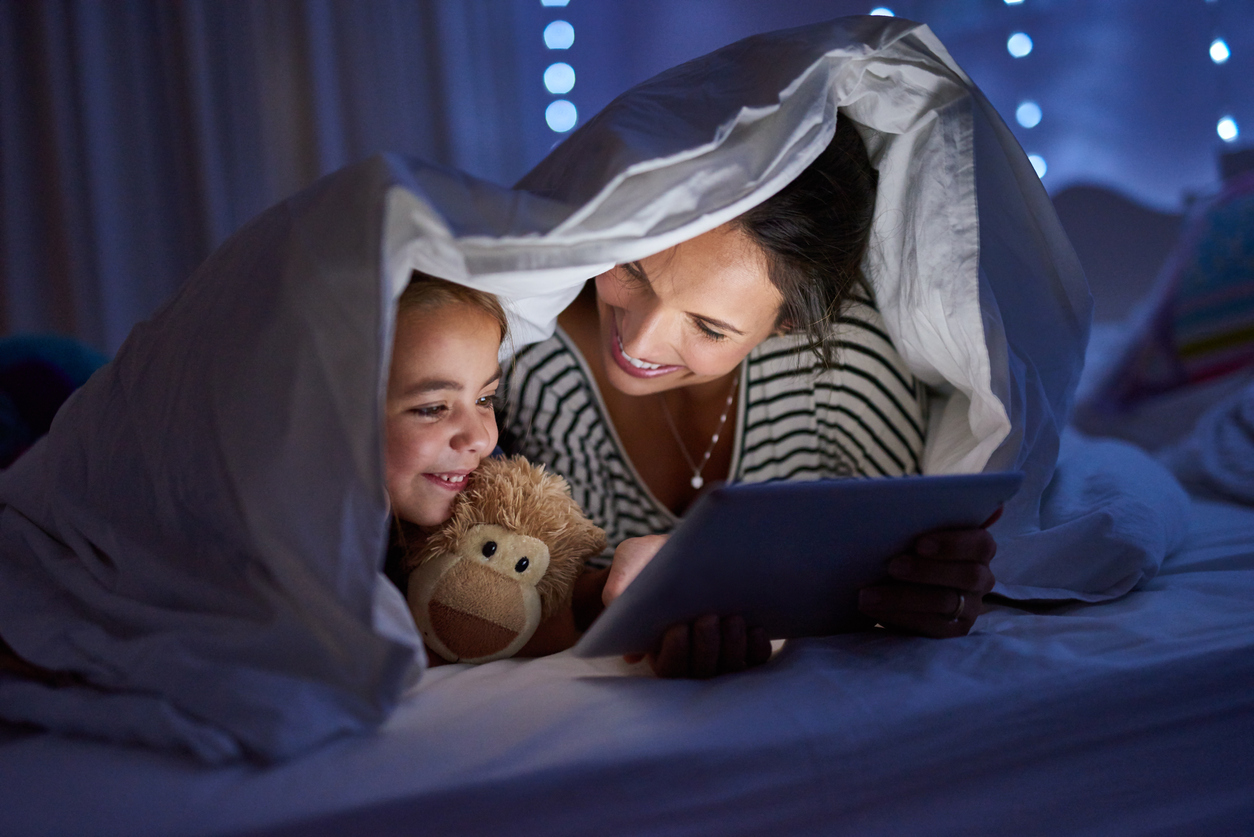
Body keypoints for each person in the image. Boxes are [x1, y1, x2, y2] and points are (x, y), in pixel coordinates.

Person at [503, 117, 999, 678]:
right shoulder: (529, 363)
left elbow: (895, 561)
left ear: (788, 324)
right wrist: (609, 600)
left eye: (709, 328)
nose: (638, 340)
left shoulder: (843, 362)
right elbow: (477, 594)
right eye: (634, 271)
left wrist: (920, 589)